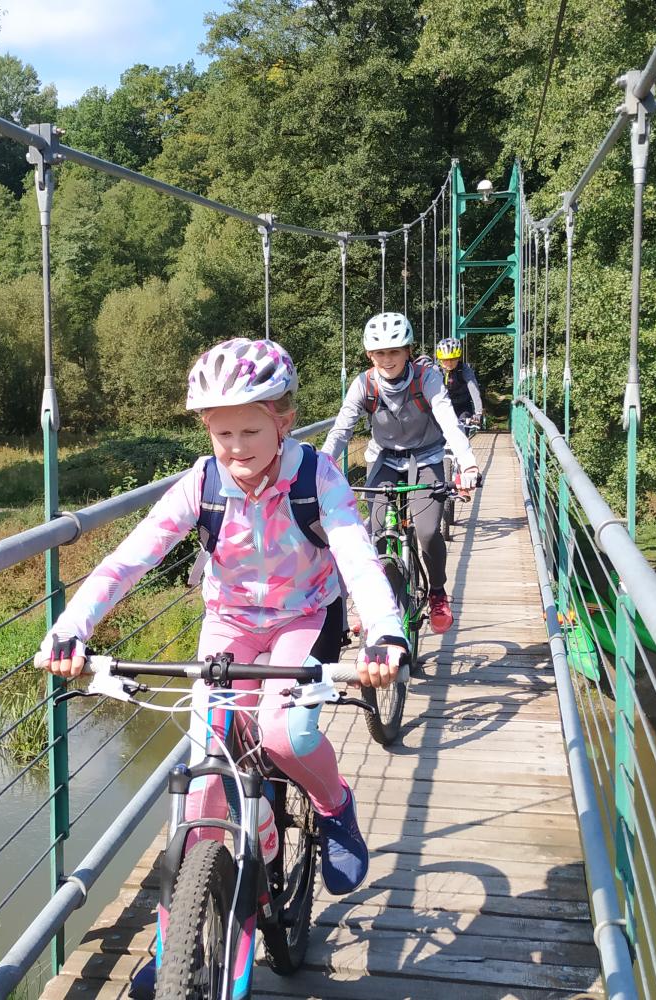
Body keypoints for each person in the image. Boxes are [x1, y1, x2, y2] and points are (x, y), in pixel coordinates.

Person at [35, 337, 407, 997]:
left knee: (283, 734)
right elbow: (131, 557)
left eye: (249, 430)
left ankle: (334, 804)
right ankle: (172, 947)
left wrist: (384, 631)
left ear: (284, 420)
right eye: (221, 432)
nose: (235, 447)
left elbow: (356, 553)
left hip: (304, 618)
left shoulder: (317, 477)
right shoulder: (201, 484)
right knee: (205, 780)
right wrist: (72, 627)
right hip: (229, 623)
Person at [322, 312, 480, 634]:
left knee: (427, 531)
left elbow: (448, 421)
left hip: (427, 457)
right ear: (370, 355)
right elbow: (341, 430)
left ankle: (437, 592)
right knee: (378, 531)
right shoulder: (364, 384)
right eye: (380, 353)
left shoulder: (427, 379)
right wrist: (320, 465)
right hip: (384, 459)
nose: (387, 359)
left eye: (394, 351)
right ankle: (382, 603)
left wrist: (468, 463)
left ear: (408, 351)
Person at [435, 337, 484, 430]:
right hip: (444, 406)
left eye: (453, 359)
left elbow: (474, 390)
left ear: (458, 358)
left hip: (463, 406)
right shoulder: (435, 370)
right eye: (445, 360)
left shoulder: (465, 370)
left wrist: (478, 413)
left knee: (462, 430)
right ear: (440, 359)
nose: (449, 363)